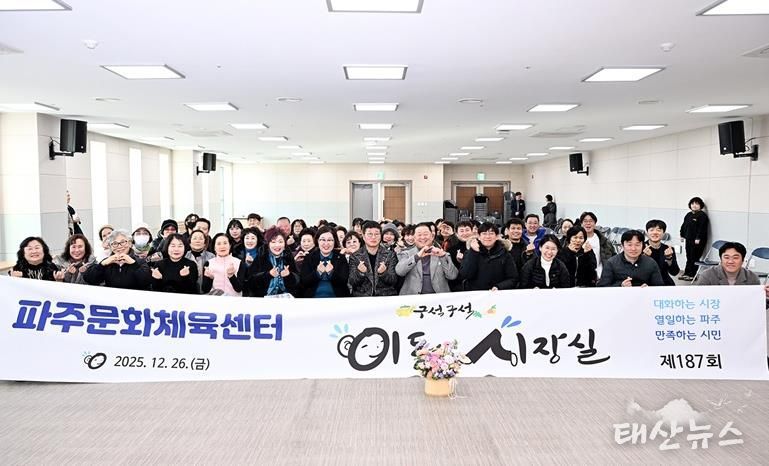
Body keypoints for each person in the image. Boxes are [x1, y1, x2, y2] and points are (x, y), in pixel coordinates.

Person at [396, 222, 458, 295]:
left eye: (425, 234)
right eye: (419, 235)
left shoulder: (442, 253)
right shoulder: (406, 253)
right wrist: (417, 256)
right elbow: (400, 271)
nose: (422, 237)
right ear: (414, 238)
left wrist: (442, 257)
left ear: (432, 236)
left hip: (439, 297)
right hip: (412, 297)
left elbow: (452, 276)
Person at [83, 229, 152, 289]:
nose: (119, 246)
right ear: (110, 246)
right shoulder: (107, 262)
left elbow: (146, 281)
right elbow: (89, 279)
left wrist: (133, 264)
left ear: (130, 243)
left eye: (123, 242)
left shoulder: (140, 261)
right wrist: (102, 264)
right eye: (114, 243)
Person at [459, 222, 519, 291]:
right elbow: (465, 275)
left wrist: (499, 287)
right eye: (484, 233)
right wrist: (474, 252)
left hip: (497, 293)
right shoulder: (469, 252)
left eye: (491, 233)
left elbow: (513, 278)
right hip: (475, 294)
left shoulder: (505, 254)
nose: (487, 237)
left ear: (497, 236)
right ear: (479, 236)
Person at [348, 221, 399, 297]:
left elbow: (394, 280)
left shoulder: (390, 255)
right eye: (370, 234)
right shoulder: (355, 256)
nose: (373, 237)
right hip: (362, 297)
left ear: (380, 236)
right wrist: (360, 273)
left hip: (385, 297)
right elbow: (352, 282)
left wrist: (383, 273)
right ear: (363, 236)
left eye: (376, 234)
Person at [598, 230, 664, 287]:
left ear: (642, 246)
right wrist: (620, 286)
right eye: (629, 245)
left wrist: (649, 288)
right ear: (622, 246)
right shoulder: (611, 263)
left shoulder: (650, 263)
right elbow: (603, 287)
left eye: (637, 245)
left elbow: (659, 287)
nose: (633, 249)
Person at [299, 226, 351, 298]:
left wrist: (331, 273)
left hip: (337, 299)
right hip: (313, 299)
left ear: (334, 241)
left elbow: (344, 282)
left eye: (330, 240)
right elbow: (304, 282)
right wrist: (318, 273)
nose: (326, 243)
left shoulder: (340, 257)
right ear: (317, 240)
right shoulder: (309, 257)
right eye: (323, 240)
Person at [247, 226, 299, 297]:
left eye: (280, 242)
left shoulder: (288, 256)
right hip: (264, 298)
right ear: (268, 244)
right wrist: (268, 275)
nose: (277, 245)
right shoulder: (262, 256)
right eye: (273, 242)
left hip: (285, 297)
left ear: (284, 244)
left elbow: (298, 282)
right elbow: (251, 282)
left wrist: (289, 275)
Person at [694, 242, 767, 288]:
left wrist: (765, 297)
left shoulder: (752, 278)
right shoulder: (707, 275)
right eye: (726, 257)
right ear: (721, 260)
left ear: (742, 260)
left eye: (735, 258)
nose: (730, 261)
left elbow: (756, 302)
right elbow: (699, 298)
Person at [679, 197, 710, 281]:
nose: (694, 205)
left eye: (696, 204)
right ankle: (686, 273)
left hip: (697, 241)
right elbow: (684, 225)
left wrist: (698, 238)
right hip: (688, 239)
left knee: (694, 257)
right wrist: (682, 235)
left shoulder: (702, 216)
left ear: (700, 205)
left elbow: (702, 228)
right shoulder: (688, 215)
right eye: (692, 204)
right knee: (688, 256)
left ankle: (692, 275)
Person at [579, 211, 615, 279]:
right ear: (581, 224)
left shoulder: (604, 240)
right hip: (584, 277)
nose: (588, 223)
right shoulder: (576, 241)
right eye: (585, 221)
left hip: (602, 275)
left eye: (591, 221)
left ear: (595, 223)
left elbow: (613, 257)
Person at [644, 219, 680, 286]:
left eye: (658, 230)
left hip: (665, 283)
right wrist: (644, 257)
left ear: (663, 233)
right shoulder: (640, 248)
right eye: (651, 230)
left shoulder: (668, 249)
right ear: (647, 233)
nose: (655, 232)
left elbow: (674, 272)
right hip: (646, 284)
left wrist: (669, 258)